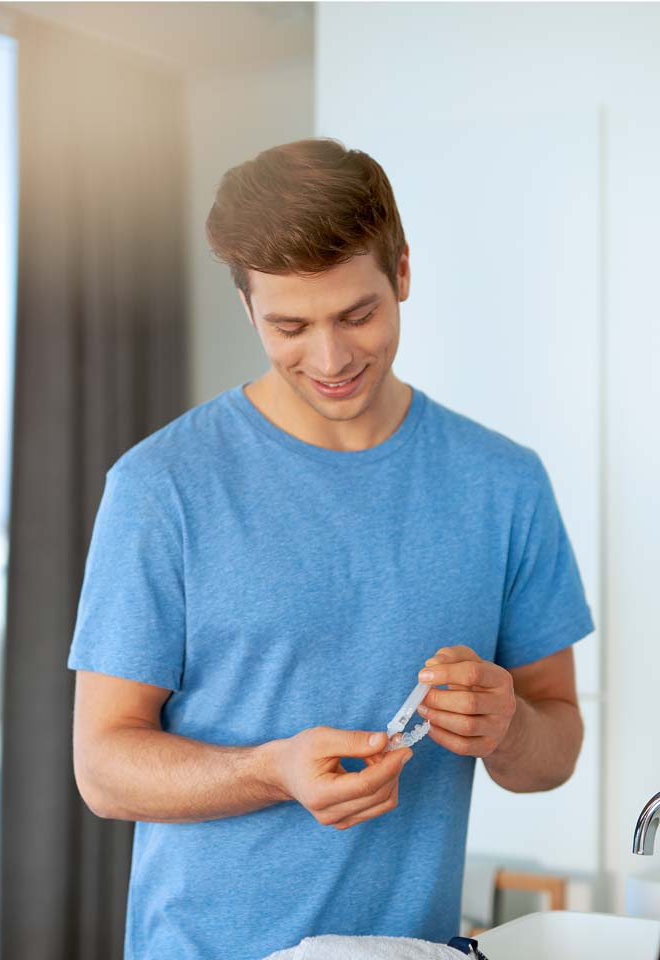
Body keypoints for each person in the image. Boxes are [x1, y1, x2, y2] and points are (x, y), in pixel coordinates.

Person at [66, 137, 594, 960]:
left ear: (404, 275)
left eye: (357, 314)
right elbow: (103, 770)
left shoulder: (503, 483)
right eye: (289, 325)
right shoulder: (161, 486)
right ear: (247, 308)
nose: (332, 357)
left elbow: (551, 751)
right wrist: (269, 771)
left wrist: (507, 725)